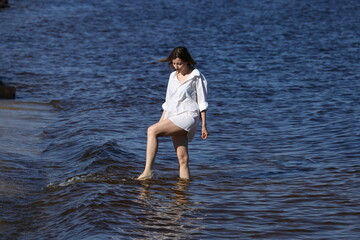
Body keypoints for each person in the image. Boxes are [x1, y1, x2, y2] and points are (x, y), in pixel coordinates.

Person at [137, 46, 209, 180]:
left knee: (151, 131)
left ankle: (147, 171)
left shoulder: (197, 77)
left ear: (187, 61)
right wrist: (161, 121)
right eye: (174, 63)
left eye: (179, 64)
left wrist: (204, 125)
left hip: (189, 116)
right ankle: (183, 194)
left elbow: (202, 103)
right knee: (183, 159)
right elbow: (168, 103)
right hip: (175, 116)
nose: (176, 66)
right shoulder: (172, 76)